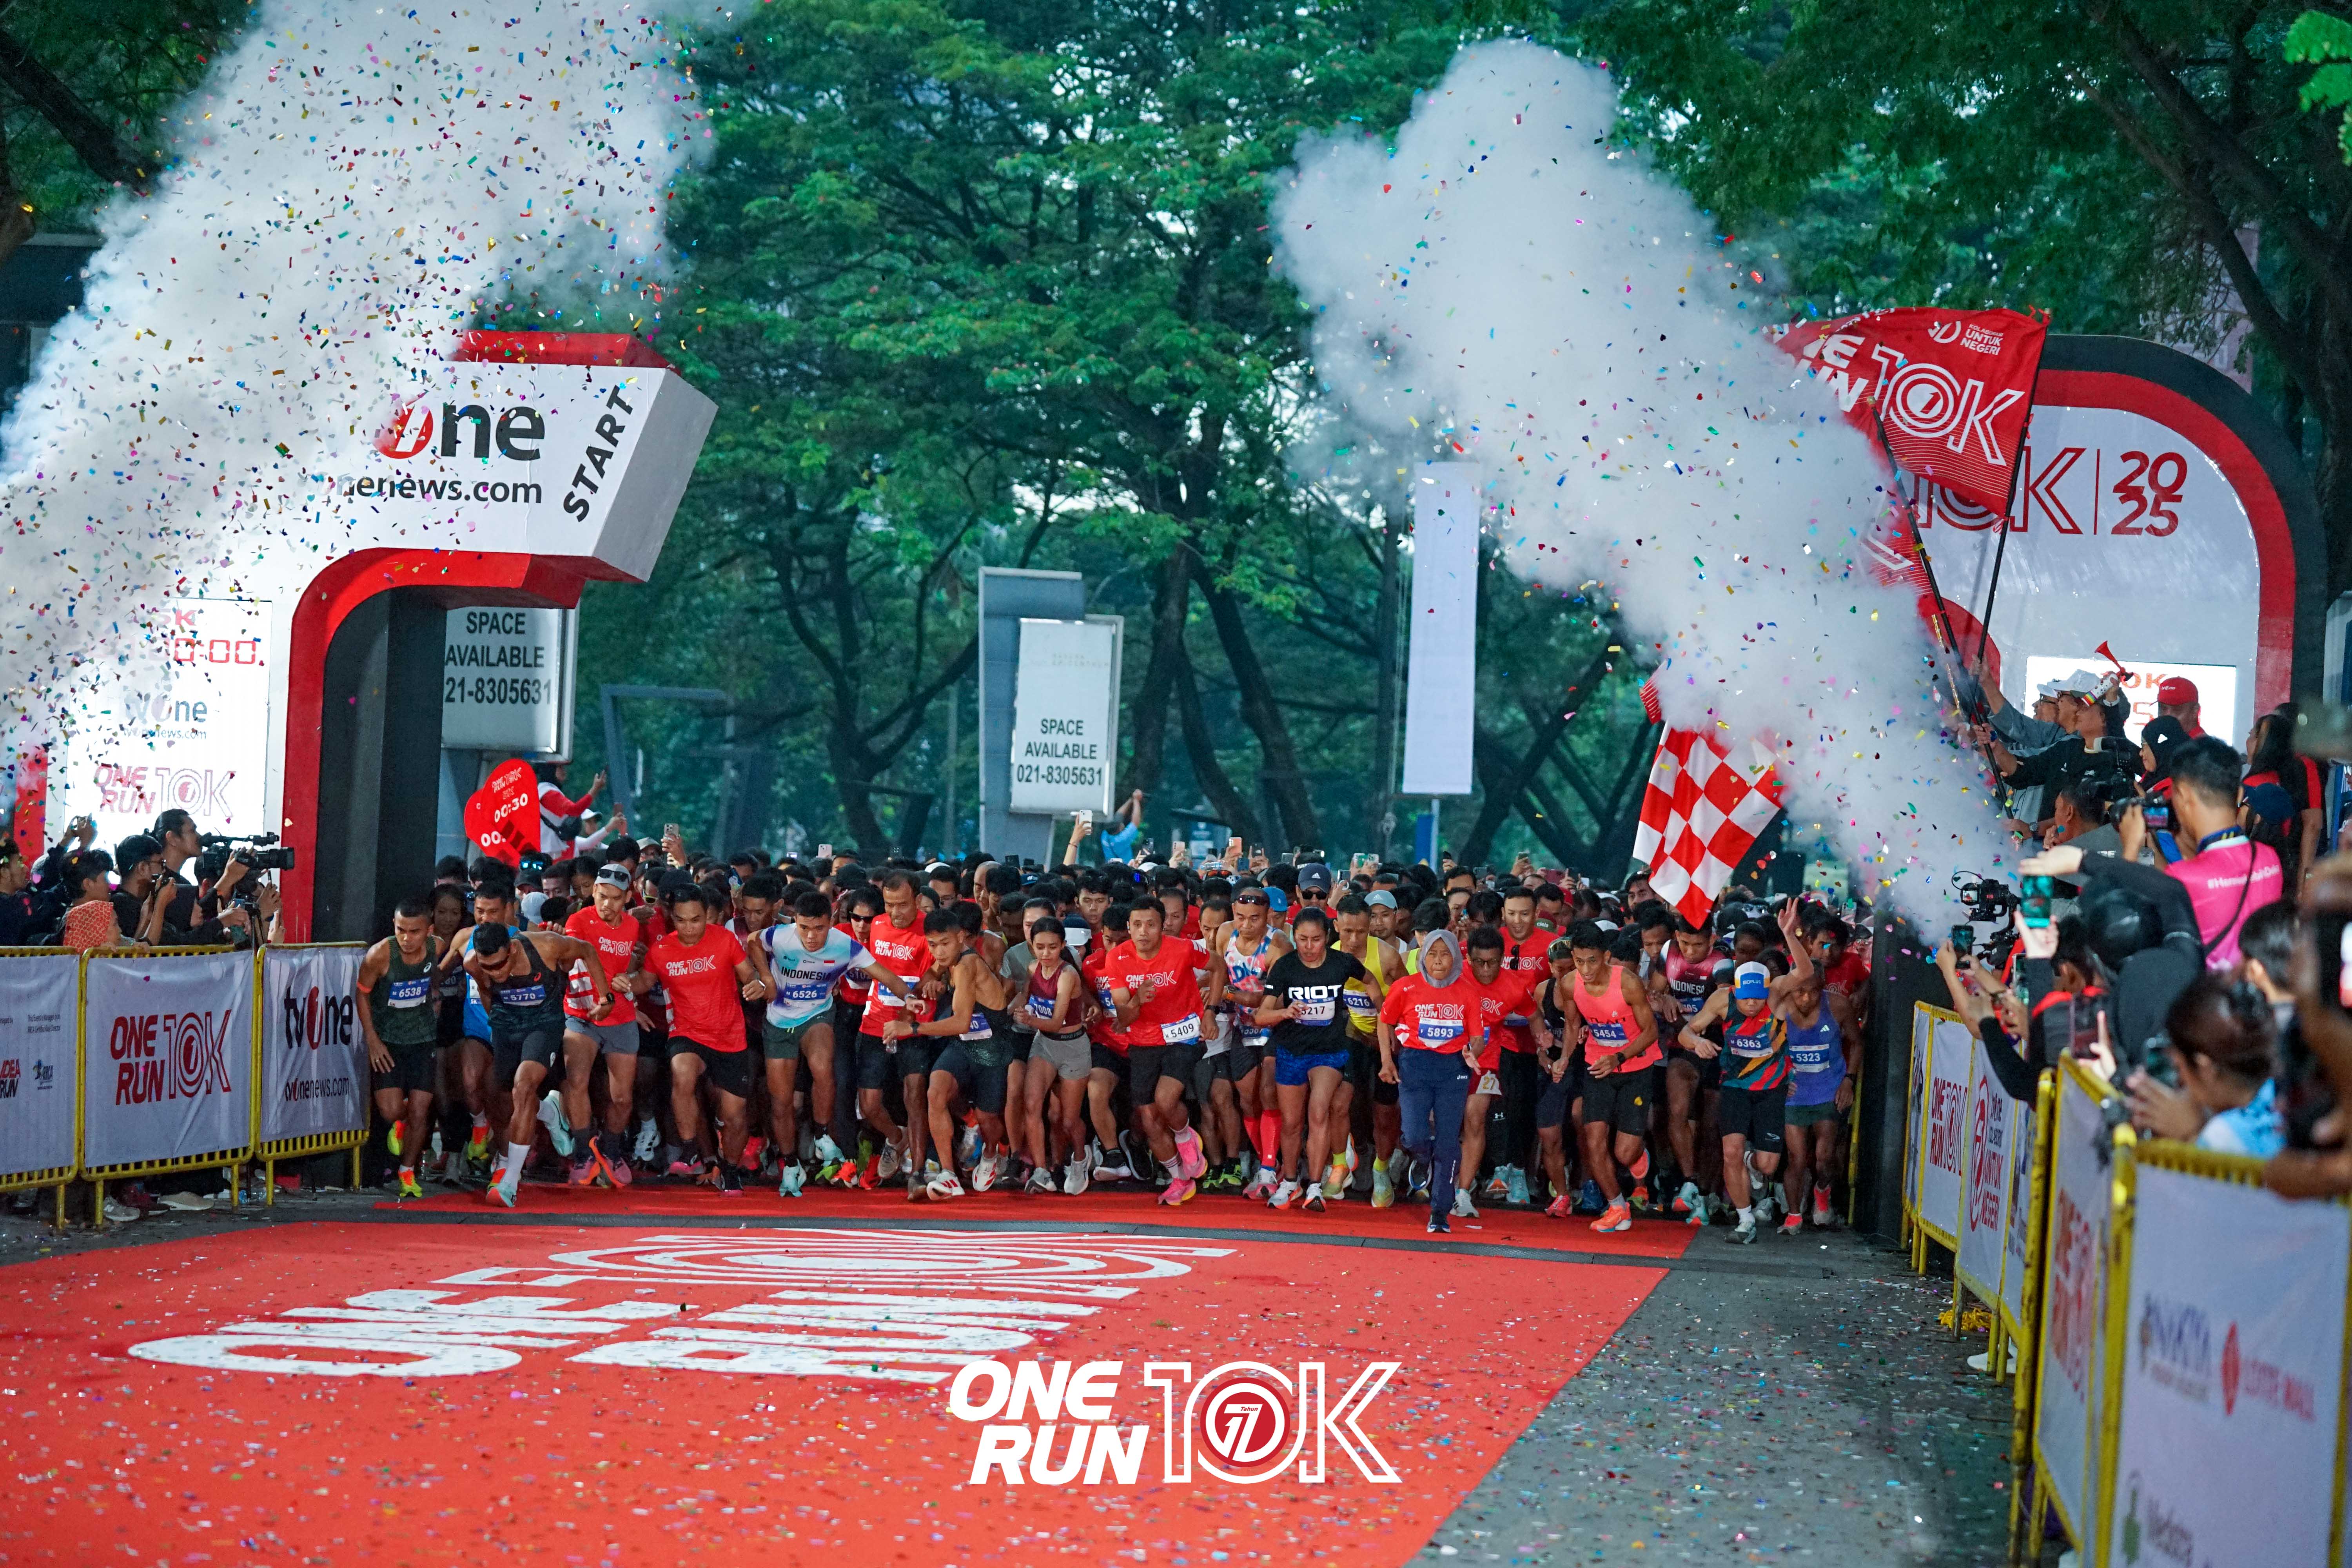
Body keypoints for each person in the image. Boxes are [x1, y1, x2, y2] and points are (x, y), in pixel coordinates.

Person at [746, 888, 907, 1196]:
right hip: (779, 1022)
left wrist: (910, 998)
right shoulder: (780, 936)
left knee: (823, 1067)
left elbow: (886, 976)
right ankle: (790, 1164)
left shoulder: (844, 945)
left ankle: (822, 1135)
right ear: (795, 922)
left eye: (819, 928)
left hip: (817, 1016)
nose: (811, 937)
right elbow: (753, 942)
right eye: (804, 928)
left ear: (831, 921)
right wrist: (766, 978)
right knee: (782, 1103)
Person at [1676, 903, 1815, 1244]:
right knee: (1730, 1153)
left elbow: (1805, 971)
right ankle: (1745, 1220)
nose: (1752, 1005)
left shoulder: (1776, 997)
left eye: (1758, 999)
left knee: (1767, 1167)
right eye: (1746, 999)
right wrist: (1697, 1042)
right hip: (1735, 1086)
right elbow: (1685, 1033)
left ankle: (1752, 1161)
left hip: (1772, 1090)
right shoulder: (1722, 1000)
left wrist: (1788, 934)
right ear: (1735, 990)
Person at [460, 920, 614, 1208]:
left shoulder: (546, 946)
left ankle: (510, 1182)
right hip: (507, 1025)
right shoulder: (473, 964)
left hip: (544, 1024)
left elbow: (587, 950)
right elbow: (486, 990)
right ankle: (551, 1112)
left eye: (499, 965)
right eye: (487, 967)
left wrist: (605, 998)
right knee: (507, 1100)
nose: (495, 972)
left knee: (524, 1086)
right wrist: (497, 1027)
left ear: (512, 949)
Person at [644, 882, 765, 1195]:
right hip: (687, 1032)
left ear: (707, 915)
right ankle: (690, 1151)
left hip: (730, 1036)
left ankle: (730, 1170)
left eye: (696, 920)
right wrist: (621, 981)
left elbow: (749, 975)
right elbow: (642, 983)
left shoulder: (724, 939)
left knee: (734, 1117)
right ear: (672, 917)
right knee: (682, 1074)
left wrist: (756, 985)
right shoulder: (661, 950)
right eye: (681, 920)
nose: (689, 928)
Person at [1105, 898, 1223, 1205]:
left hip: (1183, 1035)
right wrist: (1137, 1001)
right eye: (1137, 925)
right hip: (1143, 1042)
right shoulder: (1117, 958)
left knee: (1166, 1099)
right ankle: (1179, 1178)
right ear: (1129, 927)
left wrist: (1211, 1012)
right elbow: (1124, 1018)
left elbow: (1218, 966)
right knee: (1148, 1118)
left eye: (1151, 925)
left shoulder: (1183, 949)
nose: (1143, 932)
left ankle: (1186, 1137)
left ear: (1163, 927)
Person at [1256, 907, 1374, 1212]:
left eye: (1316, 939)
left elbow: (1371, 981)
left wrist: (1383, 1012)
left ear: (1328, 937)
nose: (1309, 947)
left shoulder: (1342, 962)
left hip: (1329, 1051)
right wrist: (1285, 1012)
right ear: (1294, 936)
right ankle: (1290, 1181)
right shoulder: (1284, 967)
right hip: (1292, 1051)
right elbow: (1261, 1016)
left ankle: (1316, 1186)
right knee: (1292, 1123)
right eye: (1302, 939)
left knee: (1319, 1112)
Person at [1552, 919, 1661, 1234]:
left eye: (1592, 961)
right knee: (1594, 1141)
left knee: (1624, 1153)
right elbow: (1573, 1025)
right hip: (1597, 1067)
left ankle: (1639, 1155)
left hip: (1635, 1069)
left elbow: (1651, 1031)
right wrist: (1564, 1058)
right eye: (1579, 961)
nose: (1586, 969)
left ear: (1606, 957)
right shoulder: (1570, 984)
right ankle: (1617, 1207)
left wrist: (1620, 1057)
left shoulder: (1627, 983)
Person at [900, 906, 1017, 1199]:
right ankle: (949, 1175)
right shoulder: (948, 959)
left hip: (991, 1048)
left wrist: (912, 1028)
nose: (939, 952)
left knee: (988, 1118)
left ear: (961, 938)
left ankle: (991, 1152)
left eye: (945, 944)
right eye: (933, 945)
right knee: (936, 1092)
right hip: (965, 1044)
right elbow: (929, 975)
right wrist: (917, 995)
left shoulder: (968, 965)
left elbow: (960, 1022)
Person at [1378, 928, 1488, 1235]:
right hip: (1415, 1063)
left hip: (1454, 1068)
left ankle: (1440, 1212)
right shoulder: (1405, 987)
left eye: (1445, 955)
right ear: (1423, 957)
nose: (1438, 961)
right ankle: (1421, 1158)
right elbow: (1385, 1022)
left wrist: (1472, 1052)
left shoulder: (1468, 992)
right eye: (1433, 955)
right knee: (1414, 1136)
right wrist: (1387, 1061)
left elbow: (1478, 1037)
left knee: (1448, 1142)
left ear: (1456, 959)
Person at [559, 864, 651, 1188]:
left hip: (621, 1015)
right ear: (594, 892)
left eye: (615, 898)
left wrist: (628, 980)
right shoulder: (578, 920)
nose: (607, 905)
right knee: (576, 1081)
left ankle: (610, 1149)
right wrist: (603, 994)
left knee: (623, 1098)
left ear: (628, 898)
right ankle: (583, 1152)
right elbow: (576, 961)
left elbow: (623, 968)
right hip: (581, 1013)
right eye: (601, 896)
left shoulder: (632, 926)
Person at [2126, 971, 2285, 1155]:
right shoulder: (2287, 1098)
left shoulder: (2221, 1139)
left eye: (2180, 1068)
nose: (2181, 1082)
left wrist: (2191, 1137)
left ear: (2205, 1069)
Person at [356, 897, 443, 1198]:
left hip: (423, 1040)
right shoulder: (380, 954)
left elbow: (435, 973)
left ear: (428, 931)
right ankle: (402, 1125)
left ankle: (407, 1172)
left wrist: (434, 993)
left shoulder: (437, 947)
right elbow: (362, 994)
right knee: (392, 1111)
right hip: (389, 1043)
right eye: (401, 930)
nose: (406, 938)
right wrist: (372, 1039)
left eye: (414, 932)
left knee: (421, 1110)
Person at [1777, 953, 1859, 1233]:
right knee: (1797, 1159)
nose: (1806, 998)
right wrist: (1778, 1080)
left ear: (1823, 985)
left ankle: (1822, 1190)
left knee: (1824, 1158)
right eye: (1800, 990)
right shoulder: (1780, 1008)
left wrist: (1849, 1081)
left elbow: (1858, 1043)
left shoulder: (1838, 1006)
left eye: (1813, 991)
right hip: (1794, 1093)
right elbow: (1765, 1045)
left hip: (1829, 1089)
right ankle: (1794, 1215)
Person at [1218, 886, 1291, 1197]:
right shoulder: (1225, 934)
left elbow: (1277, 997)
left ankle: (1269, 1168)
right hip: (1242, 1026)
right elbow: (1218, 973)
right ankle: (1266, 1162)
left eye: (1255, 919)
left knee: (1269, 1092)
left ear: (1268, 916)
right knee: (1247, 1098)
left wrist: (1233, 995)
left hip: (1275, 1026)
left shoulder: (1279, 945)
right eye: (1241, 917)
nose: (1246, 925)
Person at [1016, 915, 1094, 1194]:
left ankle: (1080, 1158)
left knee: (1069, 1120)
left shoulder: (1068, 975)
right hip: (1045, 1044)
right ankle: (1041, 1171)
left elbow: (1057, 1022)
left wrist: (1028, 1020)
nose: (1046, 954)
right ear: (1032, 946)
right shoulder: (1032, 968)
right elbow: (1026, 996)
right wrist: (1011, 1007)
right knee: (1032, 1104)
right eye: (1040, 947)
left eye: (1052, 947)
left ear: (1062, 945)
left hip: (1072, 1046)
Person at [59, 850, 122, 951]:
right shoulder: (71, 925)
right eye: (106, 879)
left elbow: (125, 942)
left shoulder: (103, 915)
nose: (111, 886)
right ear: (88, 884)